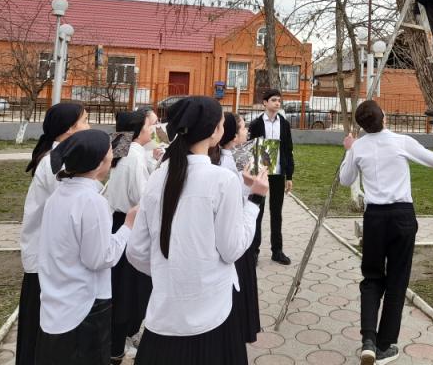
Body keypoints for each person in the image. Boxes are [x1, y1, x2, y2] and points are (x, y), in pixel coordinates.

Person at [126, 97, 269, 365]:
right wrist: (256, 200)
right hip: (213, 318)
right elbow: (232, 249)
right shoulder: (222, 180)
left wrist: (172, 271)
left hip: (163, 320)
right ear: (215, 131)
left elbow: (136, 251)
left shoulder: (158, 176)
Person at [339, 100, 433, 365]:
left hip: (374, 219)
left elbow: (345, 179)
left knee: (371, 278)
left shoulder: (358, 147)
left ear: (362, 126)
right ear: (384, 117)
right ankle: (384, 346)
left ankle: (368, 341)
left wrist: (349, 151)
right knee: (397, 281)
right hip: (401, 217)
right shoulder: (401, 142)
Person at [35, 129, 138, 365]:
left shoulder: (58, 196)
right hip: (85, 307)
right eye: (110, 151)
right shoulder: (92, 201)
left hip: (55, 302)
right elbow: (100, 258)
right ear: (99, 162)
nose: (114, 155)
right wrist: (128, 226)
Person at [16, 102, 88, 365]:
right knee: (40, 329)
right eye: (85, 121)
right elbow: (71, 208)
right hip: (45, 261)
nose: (89, 126)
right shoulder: (55, 162)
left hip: (49, 257)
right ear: (69, 129)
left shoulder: (60, 157)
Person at [105, 110, 156, 364]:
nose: (154, 130)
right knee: (128, 291)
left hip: (119, 221)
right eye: (150, 125)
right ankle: (118, 346)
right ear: (138, 130)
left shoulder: (126, 152)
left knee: (122, 288)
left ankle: (120, 339)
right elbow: (142, 197)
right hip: (129, 225)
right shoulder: (133, 155)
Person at [214, 112, 261, 343]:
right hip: (235, 235)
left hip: (234, 230)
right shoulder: (228, 163)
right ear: (232, 135)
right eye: (243, 128)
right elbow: (237, 199)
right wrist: (254, 189)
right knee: (238, 288)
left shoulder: (234, 155)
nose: (247, 132)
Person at [248, 88, 294, 265]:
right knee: (257, 211)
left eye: (279, 100)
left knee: (276, 212)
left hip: (278, 173)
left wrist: (289, 175)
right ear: (265, 103)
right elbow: (250, 148)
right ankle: (254, 251)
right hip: (261, 173)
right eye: (274, 100)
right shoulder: (256, 124)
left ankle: (277, 251)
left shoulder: (284, 124)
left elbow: (288, 149)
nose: (277, 103)